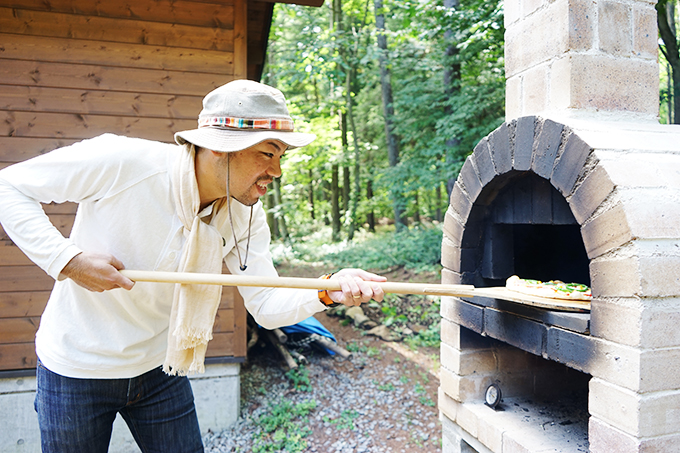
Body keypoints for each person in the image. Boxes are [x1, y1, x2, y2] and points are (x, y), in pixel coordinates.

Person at [0, 80, 386, 453]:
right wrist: (69, 262)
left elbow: (266, 304)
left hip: (158, 368)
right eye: (267, 154)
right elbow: (9, 186)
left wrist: (327, 290)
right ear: (222, 146)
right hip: (75, 367)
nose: (277, 171)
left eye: (281, 156)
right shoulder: (123, 162)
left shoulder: (244, 216)